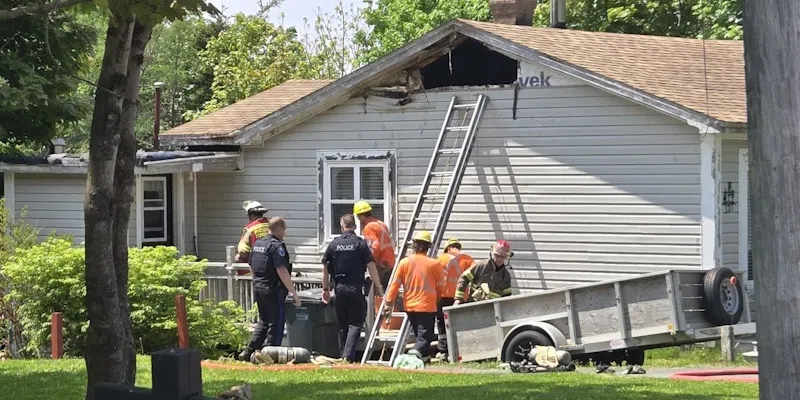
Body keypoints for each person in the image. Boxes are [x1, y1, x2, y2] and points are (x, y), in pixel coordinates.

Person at [320, 214, 385, 362]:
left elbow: (324, 268)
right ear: (354, 227)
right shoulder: (360, 244)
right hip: (355, 287)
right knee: (356, 322)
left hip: (339, 288)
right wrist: (379, 286)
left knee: (342, 323)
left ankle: (344, 354)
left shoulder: (334, 244)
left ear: (342, 226)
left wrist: (325, 289)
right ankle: (348, 356)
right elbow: (371, 266)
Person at [239, 217, 300, 362]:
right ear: (278, 229)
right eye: (284, 230)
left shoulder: (258, 243)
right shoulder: (276, 246)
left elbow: (252, 266)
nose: (284, 233)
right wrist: (293, 292)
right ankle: (270, 356)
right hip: (273, 289)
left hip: (258, 286)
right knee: (276, 323)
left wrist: (257, 281)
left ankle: (249, 352)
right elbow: (281, 270)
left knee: (263, 321)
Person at [382, 231, 445, 362]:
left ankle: (425, 358)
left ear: (414, 245)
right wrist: (436, 300)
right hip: (427, 306)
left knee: (419, 335)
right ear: (428, 247)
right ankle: (413, 354)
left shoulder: (404, 263)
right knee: (424, 336)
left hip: (410, 306)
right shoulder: (434, 264)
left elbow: (394, 285)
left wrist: (388, 303)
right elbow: (441, 288)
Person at [434, 238, 475, 359]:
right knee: (459, 323)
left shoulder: (441, 259)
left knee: (442, 323)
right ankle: (462, 350)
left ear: (447, 248)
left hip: (443, 296)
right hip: (461, 297)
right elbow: (476, 274)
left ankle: (443, 351)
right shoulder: (467, 258)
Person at [453, 240, 513, 305]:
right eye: (497, 255)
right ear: (492, 253)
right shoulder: (481, 266)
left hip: (493, 311)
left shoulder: (506, 276)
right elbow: (464, 278)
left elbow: (507, 296)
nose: (499, 259)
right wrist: (458, 299)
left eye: (502, 257)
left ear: (507, 257)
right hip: (474, 306)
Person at [353, 200, 395, 289]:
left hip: (381, 264)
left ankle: (379, 303)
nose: (358, 219)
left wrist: (370, 262)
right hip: (389, 261)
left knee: (377, 290)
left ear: (362, 215)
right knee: (387, 289)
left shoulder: (369, 227)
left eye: (358, 216)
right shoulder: (380, 223)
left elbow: (374, 247)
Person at [235, 200, 270, 267]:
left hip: (251, 270)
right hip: (269, 268)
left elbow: (242, 252)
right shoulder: (271, 225)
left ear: (251, 214)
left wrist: (237, 257)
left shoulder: (249, 229)